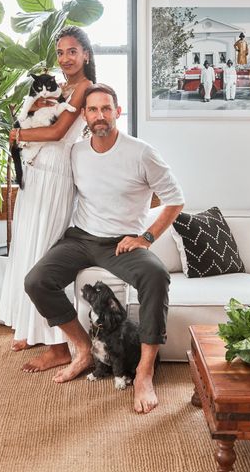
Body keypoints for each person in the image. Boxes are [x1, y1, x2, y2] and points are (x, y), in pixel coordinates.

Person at [24, 84, 185, 414]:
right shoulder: (77, 152)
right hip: (81, 238)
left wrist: (147, 238)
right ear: (85, 115)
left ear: (117, 112)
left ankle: (144, 372)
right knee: (36, 281)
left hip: (121, 244)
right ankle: (83, 349)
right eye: (93, 109)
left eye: (106, 109)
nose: (100, 116)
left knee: (156, 276)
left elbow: (175, 199)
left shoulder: (141, 153)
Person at [0, 25, 95, 358]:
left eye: (72, 51)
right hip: (34, 176)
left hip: (56, 176)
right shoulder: (59, 87)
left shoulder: (85, 88)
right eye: (60, 52)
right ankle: (30, 328)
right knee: (27, 247)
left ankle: (58, 345)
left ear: (85, 54)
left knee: (44, 253)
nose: (65, 58)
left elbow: (56, 133)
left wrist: (18, 137)